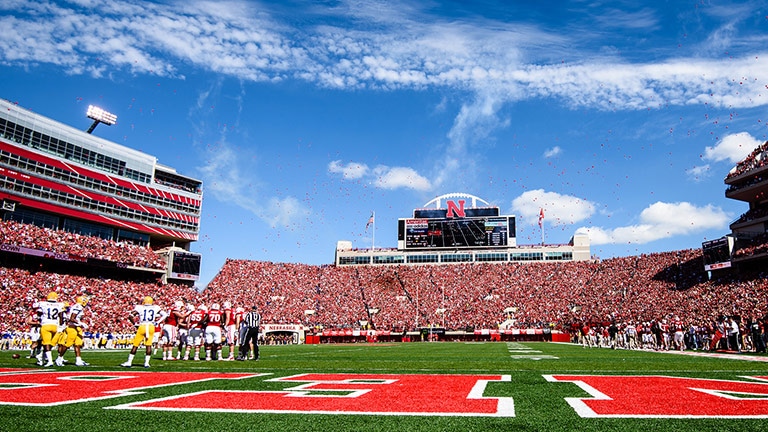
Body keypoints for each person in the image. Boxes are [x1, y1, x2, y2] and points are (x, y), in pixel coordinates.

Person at [121, 296, 167, 368]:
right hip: (151, 326)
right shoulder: (156, 307)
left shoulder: (140, 307)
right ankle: (146, 363)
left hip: (142, 326)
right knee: (148, 345)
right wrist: (157, 322)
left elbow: (130, 316)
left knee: (135, 345)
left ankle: (129, 362)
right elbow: (165, 314)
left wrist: (135, 324)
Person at [55, 296, 90, 366]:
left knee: (77, 344)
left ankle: (78, 360)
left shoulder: (78, 306)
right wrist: (81, 323)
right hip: (72, 328)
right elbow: (72, 318)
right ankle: (59, 359)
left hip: (77, 328)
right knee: (67, 344)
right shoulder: (78, 307)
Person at [37, 292, 65, 367]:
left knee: (46, 344)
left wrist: (40, 319)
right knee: (49, 345)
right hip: (55, 326)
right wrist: (61, 326)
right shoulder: (60, 304)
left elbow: (39, 314)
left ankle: (49, 361)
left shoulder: (42, 304)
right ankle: (42, 360)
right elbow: (61, 316)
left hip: (46, 325)